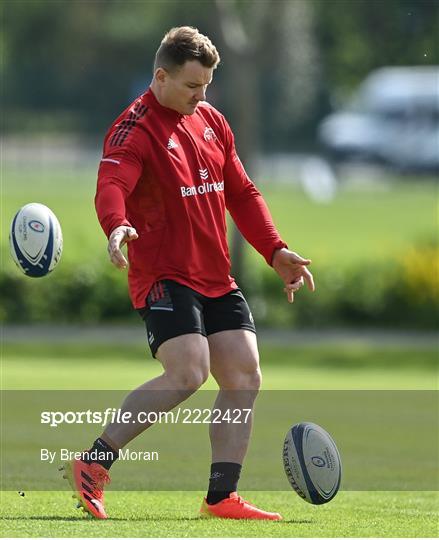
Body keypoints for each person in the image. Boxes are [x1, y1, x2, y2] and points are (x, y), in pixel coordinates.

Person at [62, 26, 314, 521]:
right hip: (163, 273)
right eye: (193, 86)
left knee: (244, 372)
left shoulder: (211, 121)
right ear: (161, 76)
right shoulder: (133, 128)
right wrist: (117, 227)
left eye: (207, 86)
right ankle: (94, 464)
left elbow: (241, 192)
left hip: (214, 274)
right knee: (188, 371)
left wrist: (275, 250)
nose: (203, 96)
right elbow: (111, 183)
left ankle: (221, 496)